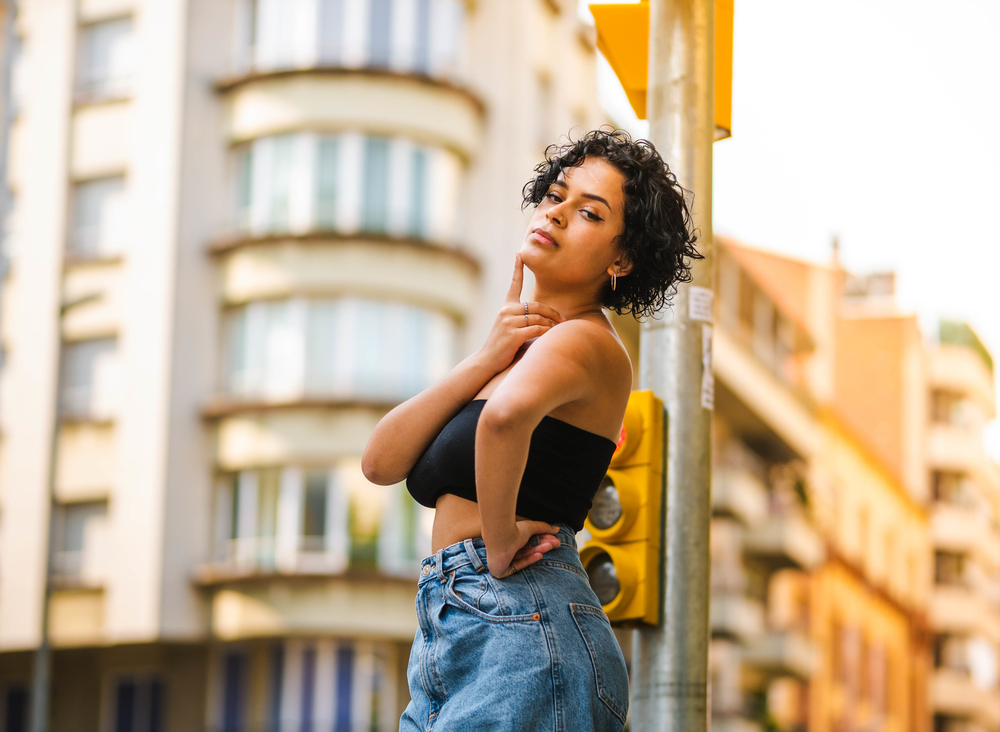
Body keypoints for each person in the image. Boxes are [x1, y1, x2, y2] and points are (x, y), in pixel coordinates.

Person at [362, 128, 700, 732]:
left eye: (590, 212)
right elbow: (380, 462)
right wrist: (483, 359)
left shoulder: (588, 341)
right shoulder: (515, 354)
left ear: (621, 259)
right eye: (557, 194)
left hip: (523, 620)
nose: (558, 212)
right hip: (459, 626)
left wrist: (497, 546)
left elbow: (505, 419)